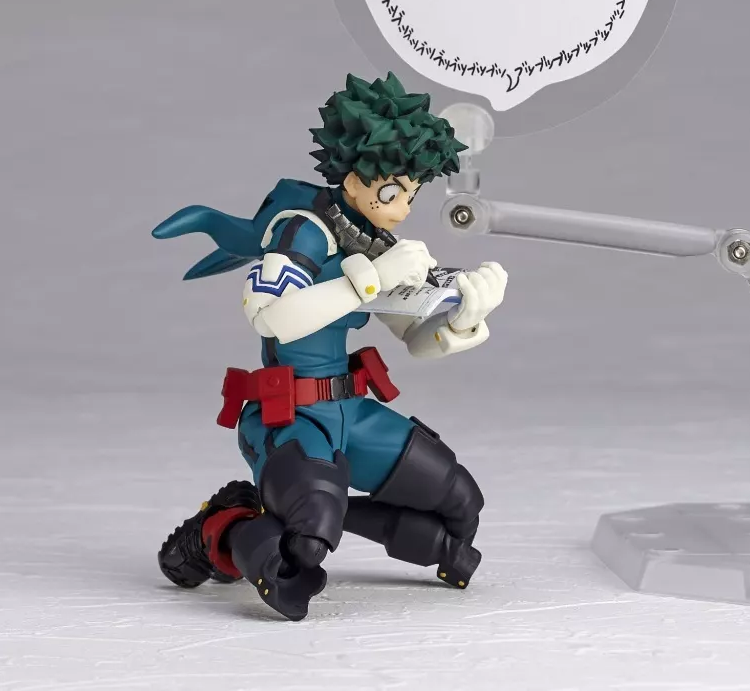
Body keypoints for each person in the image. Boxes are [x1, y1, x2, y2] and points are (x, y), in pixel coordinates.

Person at [153, 72, 507, 620]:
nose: (401, 209)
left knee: (461, 504)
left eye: (411, 194)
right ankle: (218, 530)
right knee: (301, 556)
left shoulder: (373, 240)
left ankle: (310, 509)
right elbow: (270, 316)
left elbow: (414, 339)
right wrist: (370, 279)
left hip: (351, 413)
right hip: (290, 417)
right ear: (354, 175)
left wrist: (466, 318)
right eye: (390, 192)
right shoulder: (304, 231)